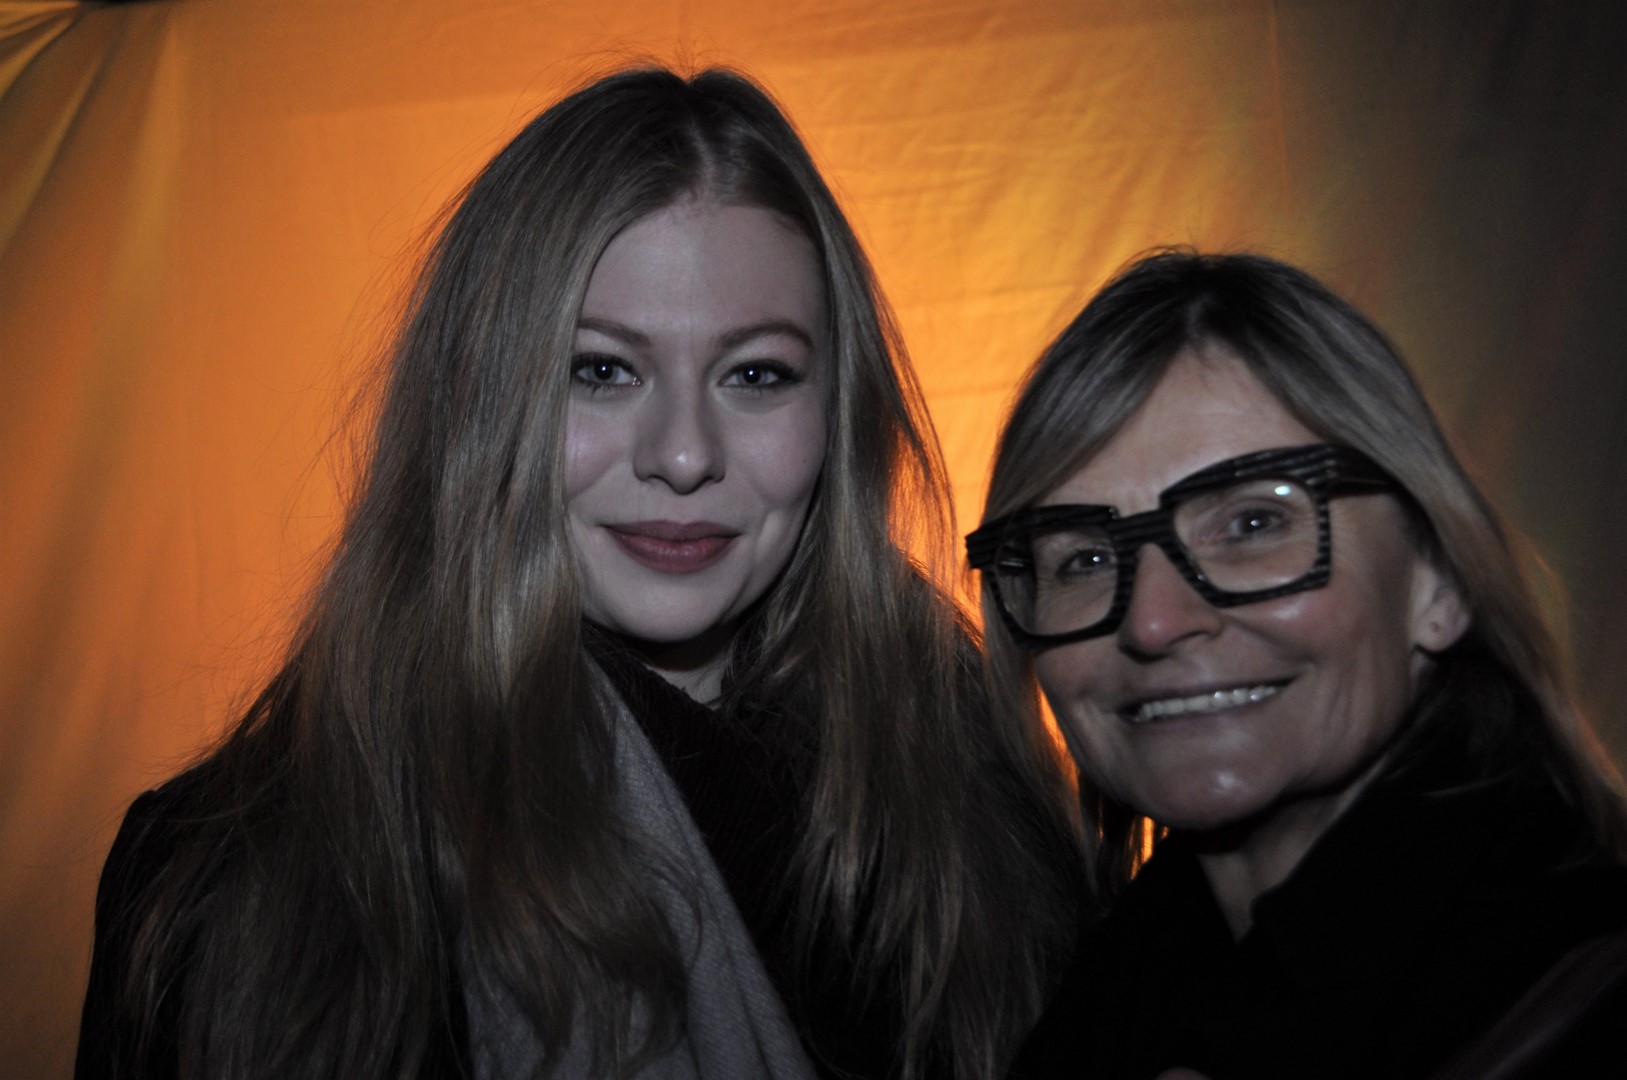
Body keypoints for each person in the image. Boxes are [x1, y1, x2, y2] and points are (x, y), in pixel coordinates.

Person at [76, 67, 1081, 1080]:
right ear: (481, 400)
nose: (682, 455)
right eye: (601, 369)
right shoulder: (232, 877)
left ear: (839, 413)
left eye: (755, 374)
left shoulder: (979, 803)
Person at [966, 250, 1627, 1079]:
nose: (1153, 621)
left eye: (1251, 524)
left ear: (1439, 577)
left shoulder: (1577, 996)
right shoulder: (1107, 991)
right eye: (1084, 560)